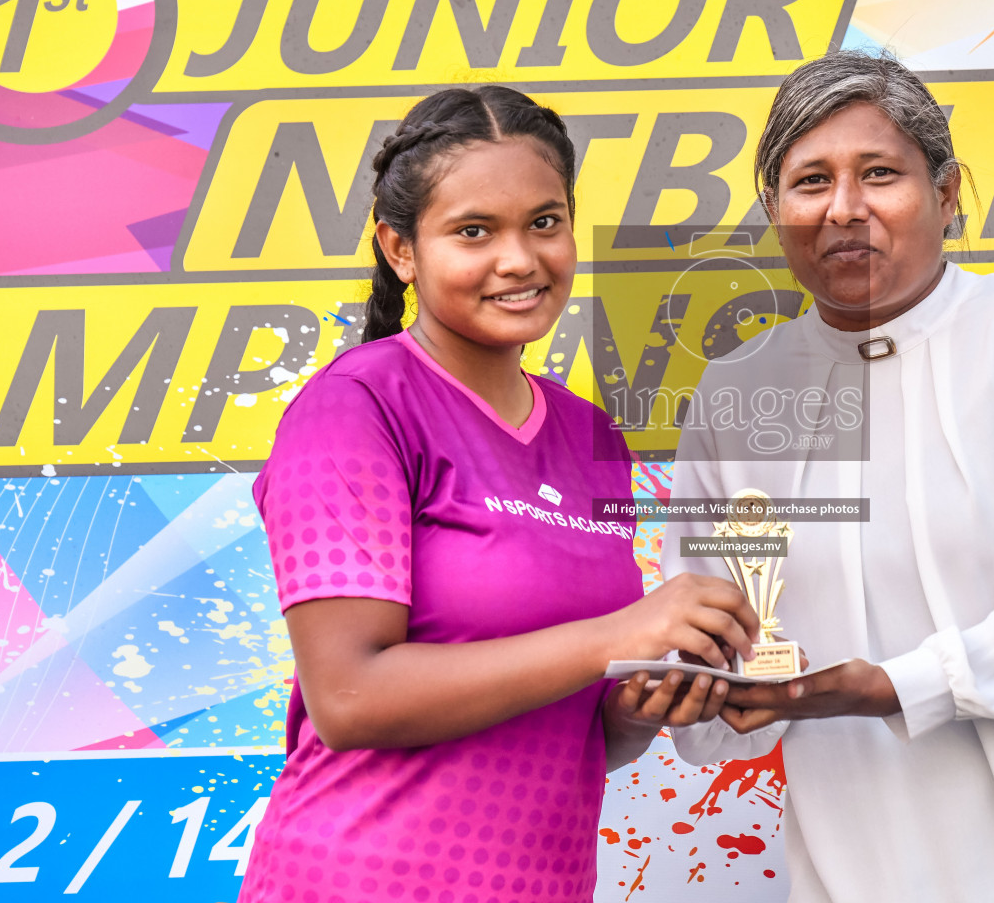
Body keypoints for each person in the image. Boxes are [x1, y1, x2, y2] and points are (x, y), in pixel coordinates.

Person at [662, 52, 994, 903]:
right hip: (864, 878)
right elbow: (710, 628)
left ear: (946, 193)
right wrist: (708, 690)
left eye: (879, 173)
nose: (845, 209)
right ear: (774, 211)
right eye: (810, 182)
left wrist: (891, 687)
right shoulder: (737, 394)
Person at [238, 86, 759, 903]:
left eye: (544, 223)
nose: (520, 259)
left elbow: (569, 728)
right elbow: (348, 698)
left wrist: (637, 705)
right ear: (400, 249)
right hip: (360, 881)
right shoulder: (355, 408)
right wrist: (614, 634)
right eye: (474, 231)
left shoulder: (593, 441)